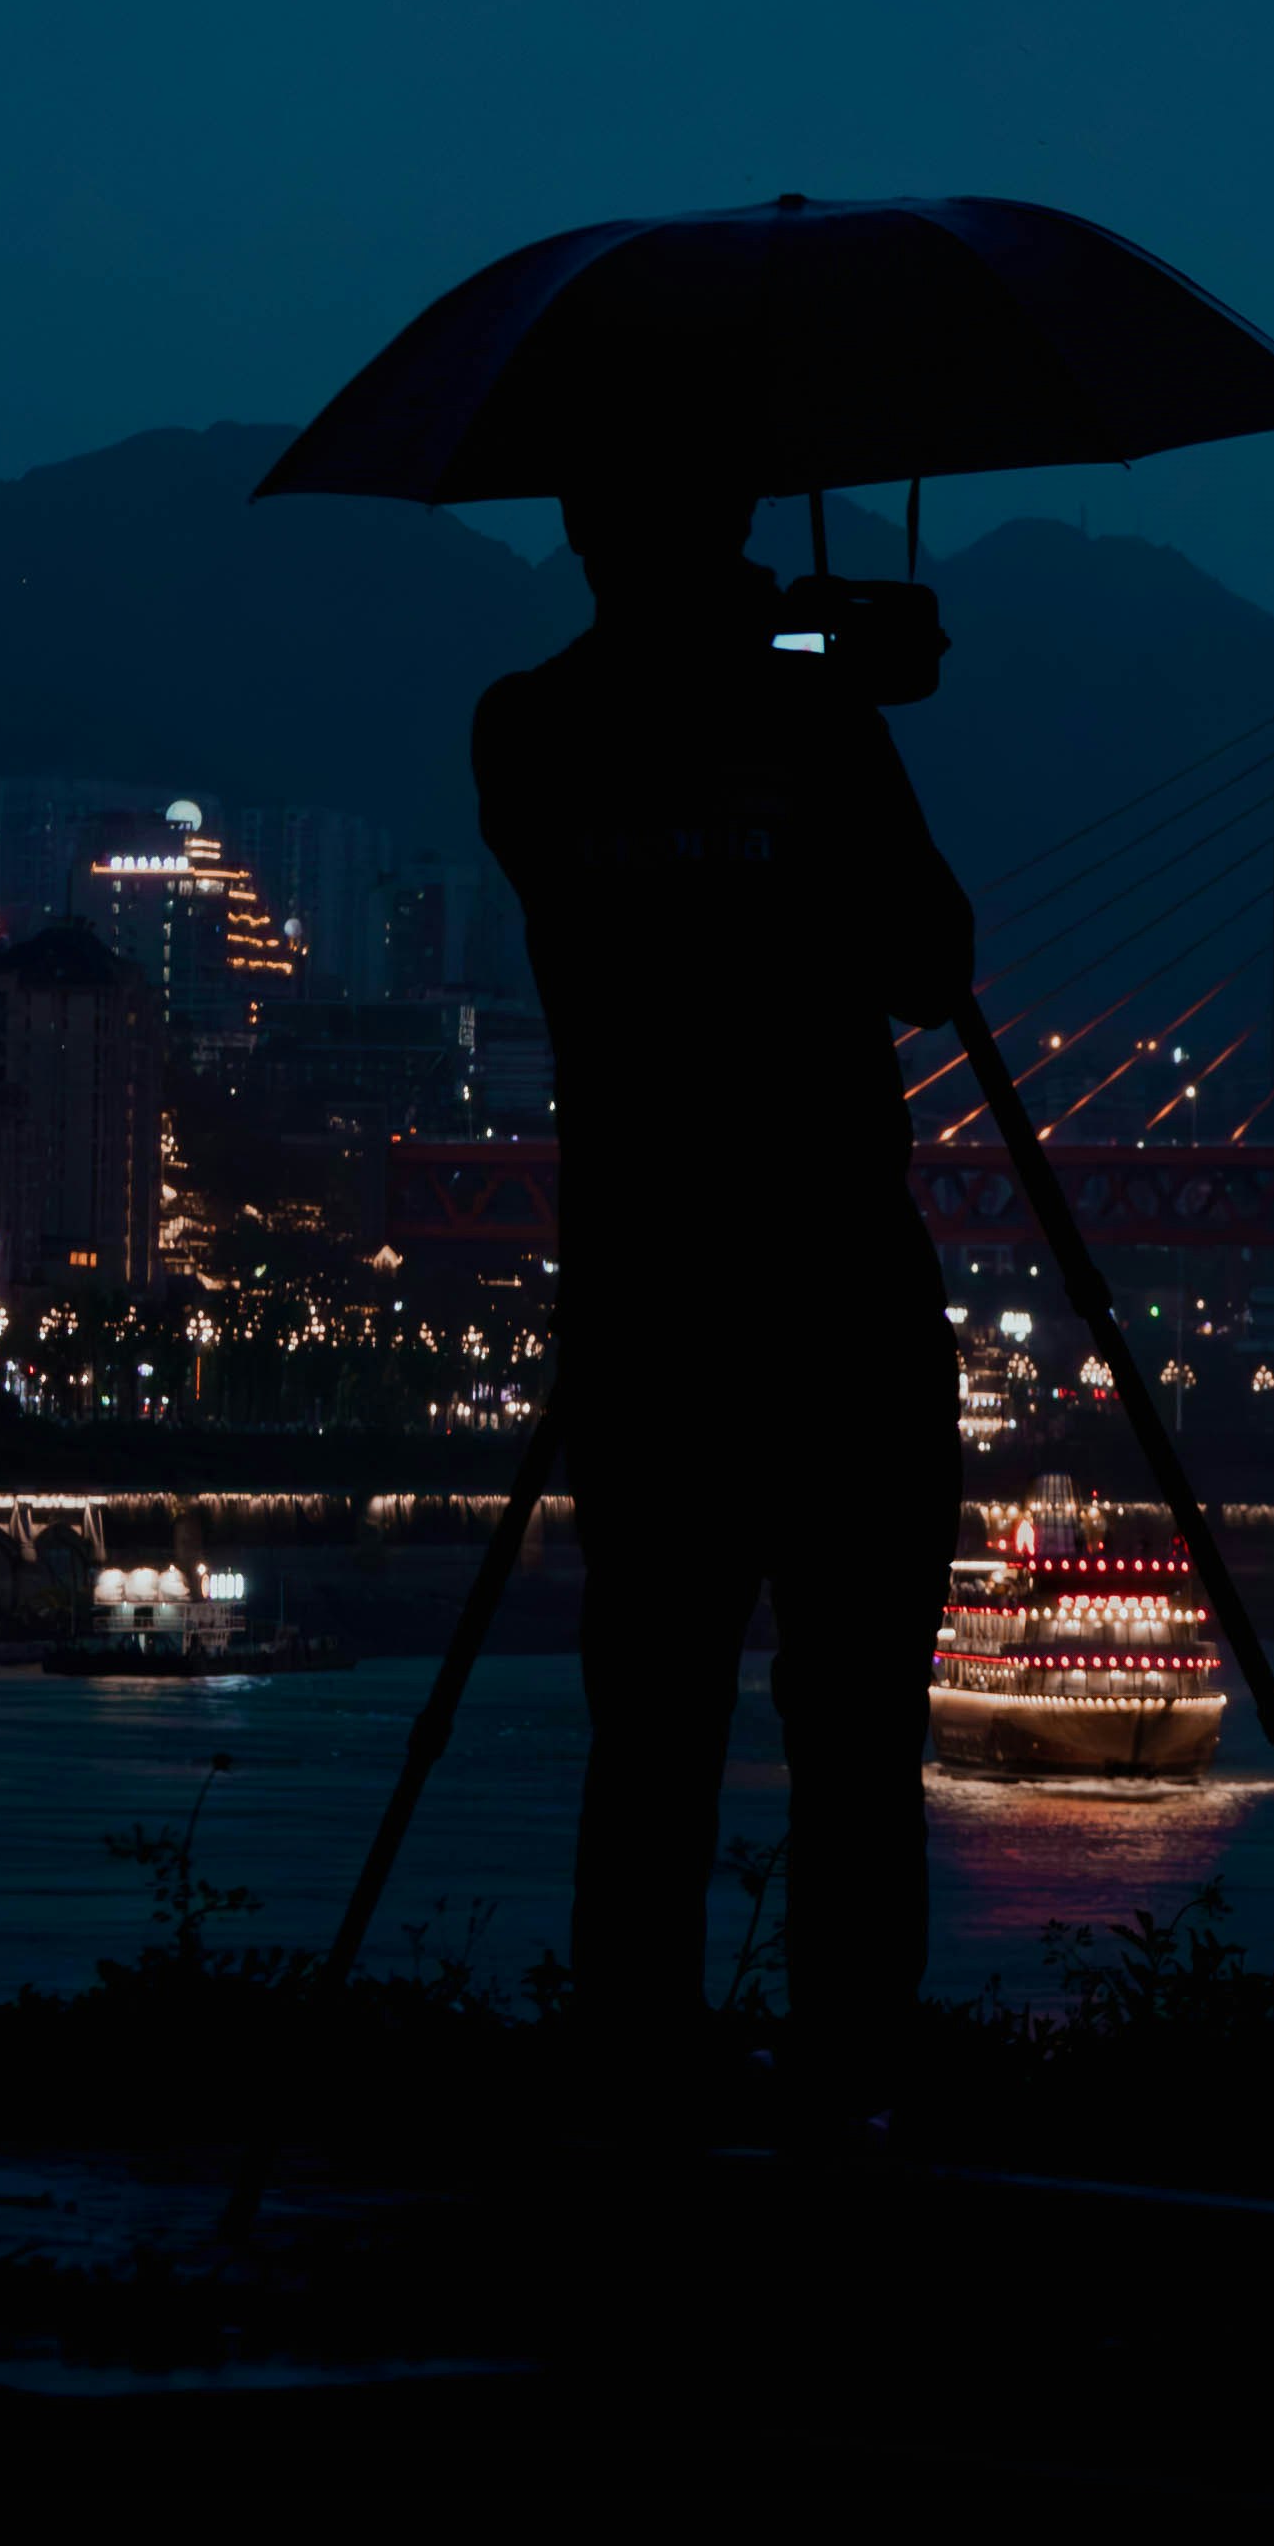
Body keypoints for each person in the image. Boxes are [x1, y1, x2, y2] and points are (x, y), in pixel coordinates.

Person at [473, 477, 976, 2100]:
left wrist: (794, 669)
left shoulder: (526, 730)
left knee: (652, 1730)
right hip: (837, 1291)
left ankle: (633, 2084)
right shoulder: (807, 713)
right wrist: (826, 691)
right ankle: (854, 2085)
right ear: (737, 521)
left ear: (581, 525)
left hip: (645, 1296)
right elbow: (930, 962)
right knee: (860, 1731)